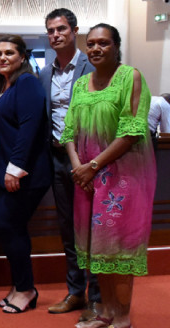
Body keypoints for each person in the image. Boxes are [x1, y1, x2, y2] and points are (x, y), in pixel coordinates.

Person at [61, 23, 156, 328]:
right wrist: (79, 168)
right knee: (96, 246)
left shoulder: (131, 77)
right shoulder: (80, 84)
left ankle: (123, 316)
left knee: (119, 248)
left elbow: (131, 131)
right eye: (90, 44)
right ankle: (105, 311)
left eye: (103, 43)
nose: (95, 49)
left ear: (116, 46)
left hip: (122, 179)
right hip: (87, 181)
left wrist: (91, 167)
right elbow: (69, 131)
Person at [38, 8, 100, 321]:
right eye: (50, 31)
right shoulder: (45, 72)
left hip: (89, 160)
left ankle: (98, 299)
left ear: (74, 31)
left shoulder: (92, 67)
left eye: (61, 29)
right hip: (56, 158)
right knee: (68, 229)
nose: (55, 35)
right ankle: (76, 292)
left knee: (93, 229)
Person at [0, 35, 51, 314]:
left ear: (23, 57)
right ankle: (20, 285)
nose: (2, 57)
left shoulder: (27, 82)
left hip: (25, 173)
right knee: (11, 228)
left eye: (9, 53)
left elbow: (29, 128)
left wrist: (14, 168)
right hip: (10, 170)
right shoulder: (8, 85)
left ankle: (26, 289)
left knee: (7, 224)